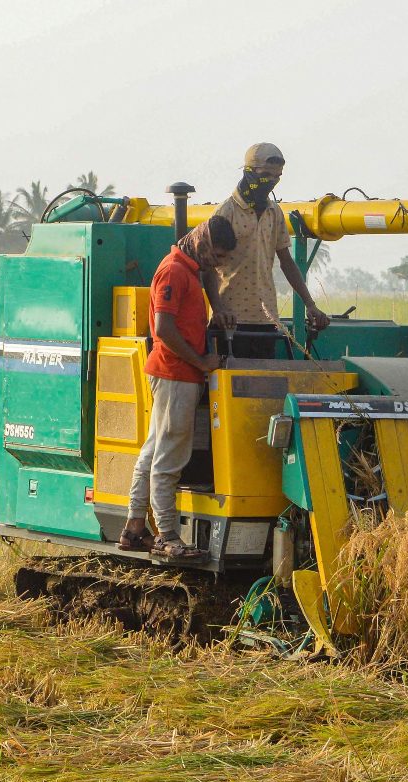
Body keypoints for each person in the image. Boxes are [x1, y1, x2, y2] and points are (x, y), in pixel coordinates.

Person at [120, 216, 237, 559]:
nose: (216, 264)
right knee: (169, 458)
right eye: (215, 256)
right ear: (203, 245)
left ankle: (134, 528)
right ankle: (167, 535)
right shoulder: (173, 272)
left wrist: (219, 306)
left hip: (175, 373)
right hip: (176, 373)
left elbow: (207, 277)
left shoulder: (189, 267)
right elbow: (164, 329)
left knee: (153, 451)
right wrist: (201, 363)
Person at [202, 142, 330, 359]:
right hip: (231, 318)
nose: (271, 181)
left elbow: (287, 262)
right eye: (266, 175)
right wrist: (218, 307)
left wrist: (310, 304)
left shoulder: (275, 213)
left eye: (277, 176)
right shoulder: (226, 212)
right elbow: (207, 266)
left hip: (266, 318)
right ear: (249, 172)